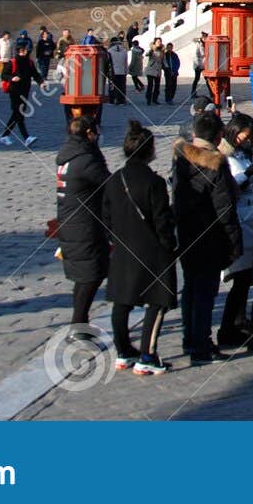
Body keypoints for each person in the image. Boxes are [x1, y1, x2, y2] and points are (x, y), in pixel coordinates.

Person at [103, 121, 178, 374]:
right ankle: (148, 354)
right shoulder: (153, 183)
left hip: (124, 248)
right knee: (158, 301)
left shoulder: (114, 180)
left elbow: (106, 217)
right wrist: (170, 245)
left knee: (121, 301)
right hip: (152, 250)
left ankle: (123, 351)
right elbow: (162, 220)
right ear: (149, 151)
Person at [171, 112, 243, 363]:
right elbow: (225, 209)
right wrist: (234, 241)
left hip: (187, 232)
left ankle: (190, 339)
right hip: (210, 236)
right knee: (205, 293)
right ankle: (201, 345)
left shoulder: (180, 159)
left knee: (190, 288)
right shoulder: (215, 164)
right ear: (217, 135)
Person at [54, 111, 110, 332]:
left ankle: (79, 321)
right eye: (96, 131)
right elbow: (109, 183)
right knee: (91, 275)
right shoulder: (85, 161)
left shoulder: (68, 155)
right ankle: (78, 325)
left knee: (85, 275)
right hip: (84, 224)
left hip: (72, 221)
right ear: (89, 133)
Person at [216, 114, 253, 352]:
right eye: (245, 134)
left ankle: (238, 321)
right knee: (241, 277)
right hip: (239, 222)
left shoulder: (244, 154)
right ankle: (230, 325)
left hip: (250, 219)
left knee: (245, 277)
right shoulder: (225, 157)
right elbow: (234, 185)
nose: (248, 138)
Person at [0, 41, 42, 148]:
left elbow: (35, 74)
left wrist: (41, 82)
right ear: (18, 51)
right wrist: (11, 78)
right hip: (14, 92)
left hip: (25, 91)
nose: (24, 52)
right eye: (22, 50)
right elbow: (3, 75)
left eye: (25, 50)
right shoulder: (12, 62)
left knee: (16, 115)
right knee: (19, 115)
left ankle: (4, 136)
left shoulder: (29, 62)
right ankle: (26, 137)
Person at [146, 39, 166, 106]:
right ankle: (148, 99)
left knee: (157, 86)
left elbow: (164, 60)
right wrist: (152, 49)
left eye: (160, 42)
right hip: (151, 70)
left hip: (158, 70)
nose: (159, 43)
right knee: (150, 85)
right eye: (158, 42)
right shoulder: (152, 49)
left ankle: (155, 99)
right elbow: (147, 54)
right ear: (155, 43)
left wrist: (167, 67)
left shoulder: (162, 51)